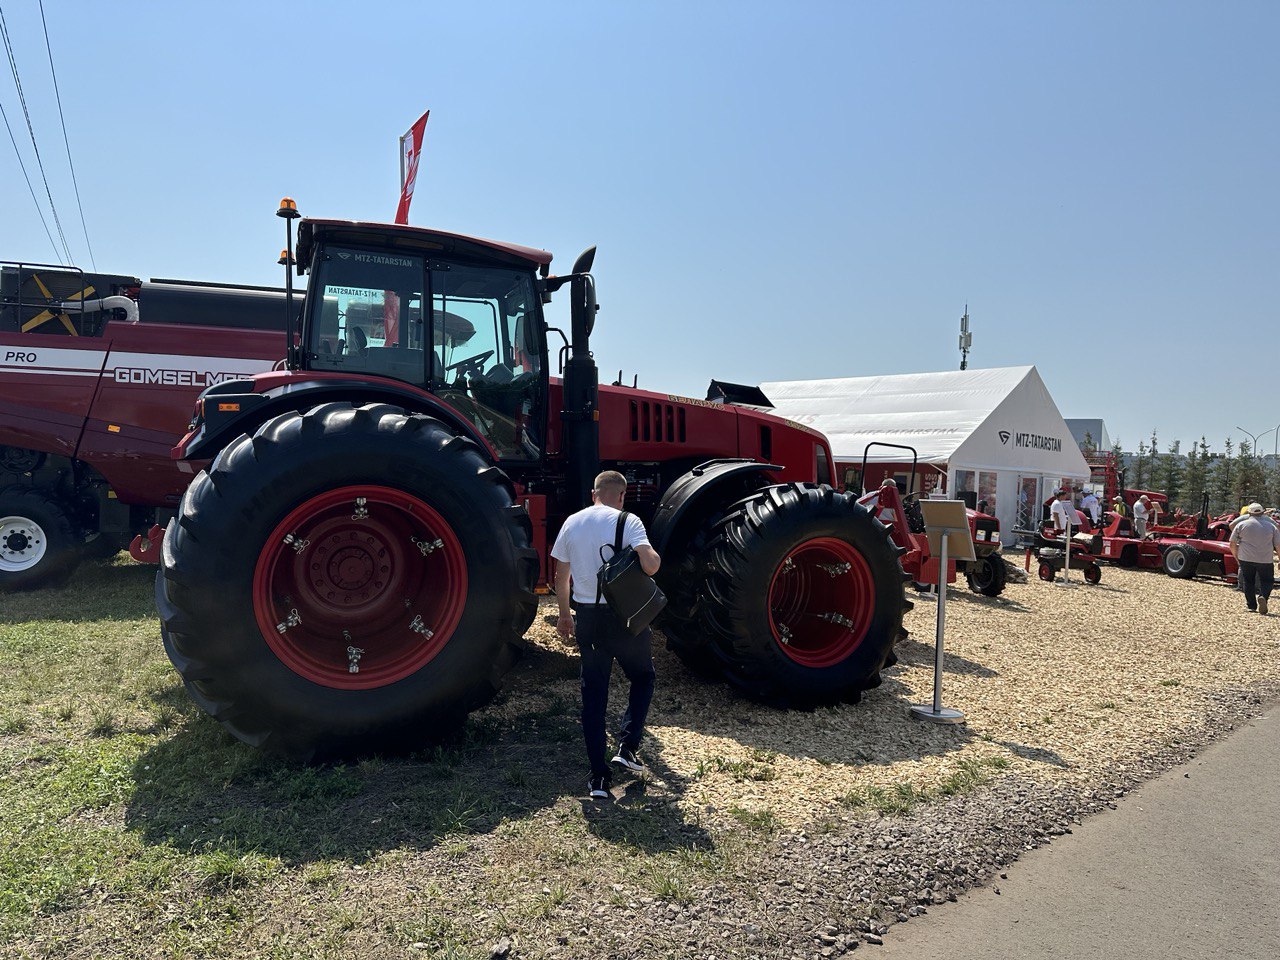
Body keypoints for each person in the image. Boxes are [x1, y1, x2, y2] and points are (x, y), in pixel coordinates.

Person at [552, 470, 662, 800]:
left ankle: (599, 779)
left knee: (594, 696)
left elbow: (561, 577)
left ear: (593, 493)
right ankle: (627, 747)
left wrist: (563, 615)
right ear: (622, 495)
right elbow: (651, 565)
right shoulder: (629, 521)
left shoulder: (572, 522)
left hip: (588, 619)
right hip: (625, 619)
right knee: (642, 677)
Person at [1228, 503, 1280, 614]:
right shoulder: (1271, 526)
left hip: (1245, 558)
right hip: (1265, 559)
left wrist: (1236, 557)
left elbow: (1232, 543)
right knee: (1267, 581)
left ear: (1249, 513)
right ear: (1262, 513)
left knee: (1248, 581)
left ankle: (1251, 605)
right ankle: (1263, 597)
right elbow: (1278, 546)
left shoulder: (1241, 525)